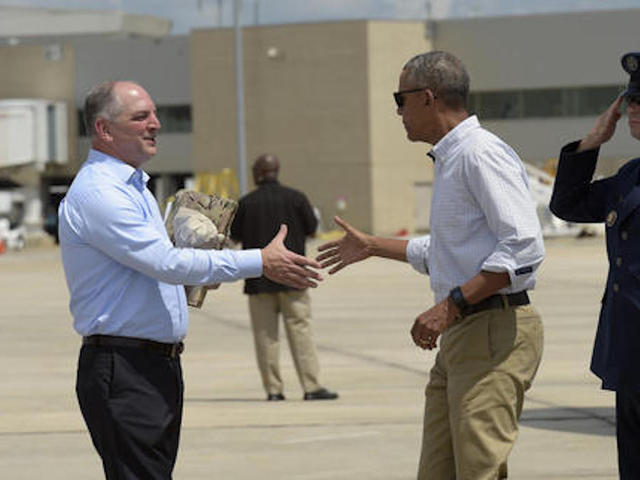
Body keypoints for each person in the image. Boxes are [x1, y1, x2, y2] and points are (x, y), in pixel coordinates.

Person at [58, 81, 322, 479]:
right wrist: (259, 261)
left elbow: (153, 270)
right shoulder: (101, 193)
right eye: (140, 116)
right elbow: (165, 262)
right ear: (104, 129)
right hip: (125, 367)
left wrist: (191, 279)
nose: (156, 124)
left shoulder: (136, 188)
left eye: (155, 113)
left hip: (151, 365)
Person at [317, 51, 545, 479]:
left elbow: (524, 246)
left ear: (427, 97)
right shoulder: (452, 158)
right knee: (438, 471)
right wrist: (371, 245)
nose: (398, 112)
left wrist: (450, 304)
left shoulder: (479, 154)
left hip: (491, 328)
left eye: (400, 99)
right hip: (466, 331)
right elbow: (446, 251)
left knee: (480, 469)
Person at [549, 52, 640, 479]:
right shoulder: (630, 176)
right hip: (628, 353)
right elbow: (567, 204)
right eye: (631, 102)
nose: (634, 111)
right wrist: (592, 141)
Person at [230, 154, 338, 401]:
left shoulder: (246, 203)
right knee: (301, 331)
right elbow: (312, 230)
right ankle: (311, 387)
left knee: (266, 337)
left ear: (257, 173)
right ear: (277, 171)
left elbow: (234, 238)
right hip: (294, 278)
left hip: (257, 280)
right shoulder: (296, 198)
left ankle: (274, 390)